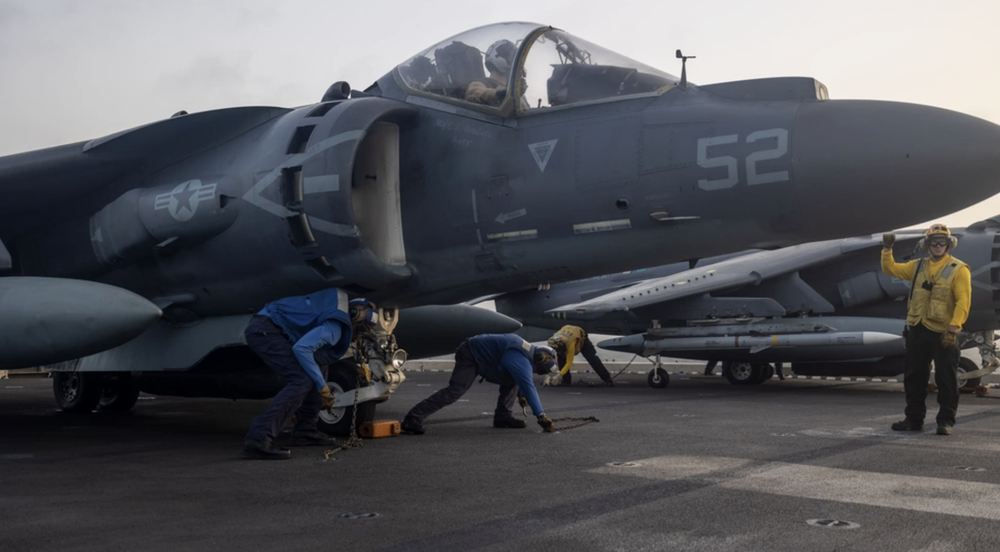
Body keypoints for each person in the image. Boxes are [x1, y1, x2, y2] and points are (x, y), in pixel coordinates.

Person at [240, 287, 354, 459]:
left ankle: (306, 430)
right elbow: (301, 349)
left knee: (319, 366)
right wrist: (322, 387)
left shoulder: (335, 306)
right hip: (266, 330)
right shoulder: (335, 328)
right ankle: (258, 439)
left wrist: (320, 384)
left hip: (273, 327)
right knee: (301, 379)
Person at [881, 224, 971, 436]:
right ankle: (913, 419)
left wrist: (953, 328)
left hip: (944, 332)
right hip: (918, 329)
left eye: (942, 242)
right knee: (914, 377)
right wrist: (887, 249)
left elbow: (963, 301)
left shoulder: (958, 269)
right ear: (926, 245)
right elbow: (890, 269)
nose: (938, 245)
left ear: (949, 244)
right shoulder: (917, 266)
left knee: (946, 379)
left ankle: (945, 421)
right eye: (934, 242)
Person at [401, 334, 558, 434]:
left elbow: (521, 379)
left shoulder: (526, 351)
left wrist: (521, 393)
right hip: (470, 354)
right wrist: (541, 415)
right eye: (539, 370)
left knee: (513, 379)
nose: (535, 372)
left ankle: (503, 417)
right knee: (455, 390)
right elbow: (528, 385)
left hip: (483, 358)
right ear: (540, 360)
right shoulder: (521, 359)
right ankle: (413, 418)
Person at [544, 325, 615, 387]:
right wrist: (548, 376)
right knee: (561, 359)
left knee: (592, 358)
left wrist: (559, 375)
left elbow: (569, 362)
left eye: (559, 350)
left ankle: (607, 379)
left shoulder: (570, 344)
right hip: (567, 332)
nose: (558, 352)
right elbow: (550, 360)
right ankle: (566, 381)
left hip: (580, 337)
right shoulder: (552, 343)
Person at [465, 39, 518, 107]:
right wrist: (500, 93)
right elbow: (473, 94)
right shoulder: (481, 83)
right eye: (512, 58)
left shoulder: (514, 90)